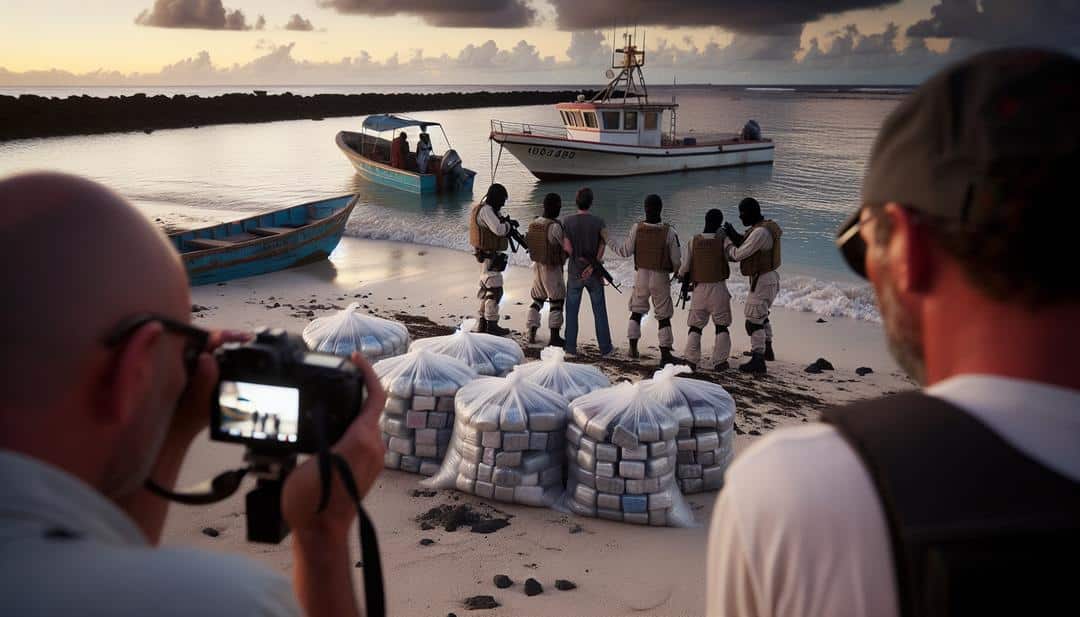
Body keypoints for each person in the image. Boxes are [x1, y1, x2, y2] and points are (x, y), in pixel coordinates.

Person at [707, 49, 1080, 617]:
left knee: (756, 321)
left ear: (906, 250)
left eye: (868, 250)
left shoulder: (797, 495)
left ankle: (760, 354)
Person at [0, 172, 388, 617]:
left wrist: (175, 429)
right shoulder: (221, 602)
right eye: (181, 352)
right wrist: (322, 535)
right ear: (135, 368)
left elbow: (114, 550)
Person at [608, 194, 683, 365]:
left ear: (645, 208)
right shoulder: (670, 232)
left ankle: (633, 349)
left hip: (641, 274)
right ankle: (665, 354)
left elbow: (625, 251)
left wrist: (608, 240)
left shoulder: (637, 228)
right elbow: (677, 261)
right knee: (663, 316)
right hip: (660, 276)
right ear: (661, 209)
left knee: (636, 311)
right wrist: (677, 274)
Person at [723, 197, 781, 374]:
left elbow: (738, 254)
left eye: (742, 213)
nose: (740, 217)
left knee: (753, 321)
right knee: (761, 316)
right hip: (769, 279)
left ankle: (758, 359)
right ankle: (767, 350)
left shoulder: (760, 232)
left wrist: (726, 243)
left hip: (762, 281)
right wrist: (733, 233)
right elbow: (747, 243)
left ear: (751, 212)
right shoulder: (762, 228)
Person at [678, 209, 735, 371]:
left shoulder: (693, 241)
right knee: (721, 326)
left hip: (699, 290)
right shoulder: (723, 241)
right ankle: (720, 362)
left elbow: (685, 268)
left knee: (695, 327)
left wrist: (680, 276)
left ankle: (691, 360)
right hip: (719, 288)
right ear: (720, 224)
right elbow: (735, 256)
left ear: (705, 220)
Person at [560, 187, 614, 356]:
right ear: (591, 203)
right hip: (594, 273)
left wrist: (577, 259)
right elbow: (603, 246)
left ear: (576, 202)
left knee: (571, 312)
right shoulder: (599, 222)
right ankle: (605, 348)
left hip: (574, 272)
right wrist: (592, 266)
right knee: (599, 311)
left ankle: (570, 347)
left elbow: (567, 247)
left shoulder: (567, 221)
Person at [468, 183, 513, 336]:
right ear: (496, 198)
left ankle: (482, 322)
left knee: (487, 290)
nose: (503, 204)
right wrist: (508, 225)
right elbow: (499, 229)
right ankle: (492, 324)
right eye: (502, 200)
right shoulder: (487, 211)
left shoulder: (483, 209)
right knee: (495, 290)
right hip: (489, 257)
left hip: (485, 255)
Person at [525, 192, 567, 347]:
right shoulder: (554, 226)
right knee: (557, 301)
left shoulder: (534, 223)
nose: (560, 209)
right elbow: (566, 246)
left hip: (536, 267)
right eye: (559, 206)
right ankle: (554, 337)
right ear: (555, 207)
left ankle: (531, 330)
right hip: (552, 268)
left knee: (537, 299)